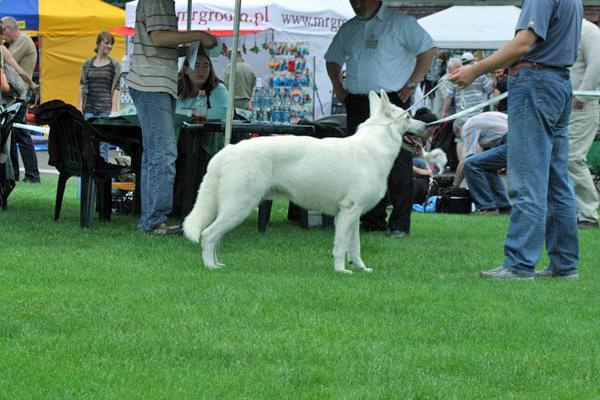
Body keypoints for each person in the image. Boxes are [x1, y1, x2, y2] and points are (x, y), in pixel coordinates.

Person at [449, 0, 582, 280]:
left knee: (527, 179)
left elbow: (524, 43)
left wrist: (475, 70)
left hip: (535, 83)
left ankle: (519, 264)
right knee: (557, 180)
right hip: (559, 83)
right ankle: (564, 264)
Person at [324, 0, 436, 238]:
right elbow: (332, 58)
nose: (356, 4)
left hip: (391, 102)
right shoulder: (350, 28)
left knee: (398, 162)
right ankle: (372, 220)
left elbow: (428, 50)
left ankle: (399, 224)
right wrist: (338, 88)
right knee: (360, 163)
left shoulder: (400, 22)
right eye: (352, 0)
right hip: (357, 100)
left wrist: (413, 83)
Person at [127, 0, 219, 235]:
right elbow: (158, 37)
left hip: (154, 82)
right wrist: (198, 34)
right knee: (163, 154)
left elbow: (154, 42)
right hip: (152, 83)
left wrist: (187, 50)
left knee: (155, 155)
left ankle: (151, 219)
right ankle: (154, 221)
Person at [568, 19, 600, 230]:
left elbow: (597, 63)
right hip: (562, 106)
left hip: (581, 106)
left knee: (572, 158)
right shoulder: (563, 28)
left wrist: (582, 96)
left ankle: (588, 214)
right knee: (561, 159)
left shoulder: (589, 30)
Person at [2, 16, 40, 183]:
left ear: (10, 29)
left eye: (3, 30)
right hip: (16, 94)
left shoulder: (23, 41)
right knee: (12, 133)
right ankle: (15, 173)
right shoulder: (14, 44)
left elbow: (9, 61)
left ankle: (32, 175)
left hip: (21, 94)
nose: (3, 35)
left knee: (21, 133)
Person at [77, 31, 121, 160]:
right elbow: (82, 86)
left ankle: (102, 179)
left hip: (105, 111)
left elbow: (117, 89)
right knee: (87, 146)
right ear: (98, 43)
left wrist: (114, 110)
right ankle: (85, 179)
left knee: (103, 147)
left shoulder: (114, 65)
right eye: (107, 43)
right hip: (89, 110)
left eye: (111, 43)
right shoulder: (88, 64)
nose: (109, 46)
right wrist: (79, 108)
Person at [453, 111, 508, 187]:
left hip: (510, 140)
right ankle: (498, 198)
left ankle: (485, 199)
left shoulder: (468, 126)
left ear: (457, 129)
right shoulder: (480, 121)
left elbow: (465, 161)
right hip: (520, 135)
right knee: (486, 165)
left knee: (470, 164)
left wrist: (455, 185)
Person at [176, 52, 228, 121]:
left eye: (206, 66)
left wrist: (189, 113)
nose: (201, 70)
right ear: (186, 70)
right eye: (196, 65)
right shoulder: (177, 87)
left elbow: (224, 113)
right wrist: (192, 112)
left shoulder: (218, 88)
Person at [442, 52, 494, 119]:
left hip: (461, 114)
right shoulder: (480, 74)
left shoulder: (455, 76)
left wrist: (445, 112)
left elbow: (448, 96)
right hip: (479, 112)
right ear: (473, 61)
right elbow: (489, 90)